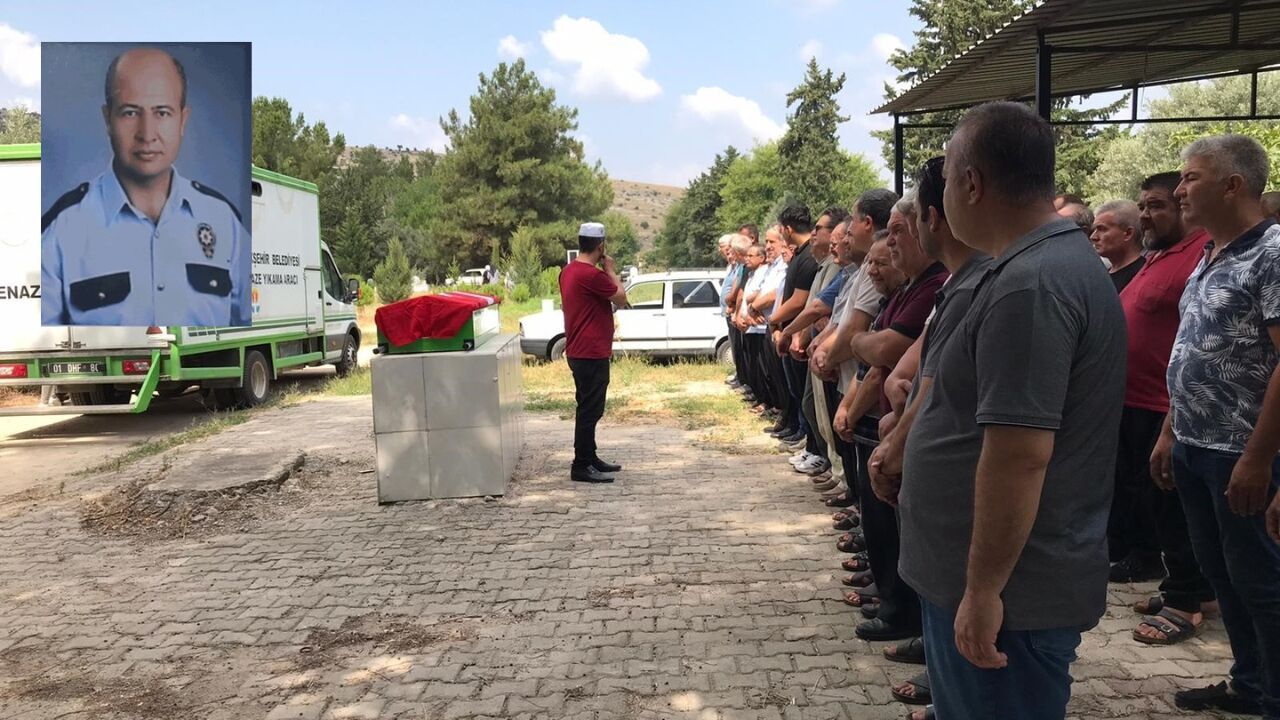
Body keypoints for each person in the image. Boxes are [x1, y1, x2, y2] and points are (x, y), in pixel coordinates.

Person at [898, 101, 1126, 720]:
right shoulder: (1033, 266)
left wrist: (982, 590)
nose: (944, 194)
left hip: (1013, 598)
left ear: (971, 182)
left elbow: (1020, 456)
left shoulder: (1033, 284)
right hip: (997, 585)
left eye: (948, 177)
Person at [1151, 134, 1280, 719]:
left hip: (1242, 454)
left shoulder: (1271, 253)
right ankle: (1249, 684)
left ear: (1232, 185)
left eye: (1190, 177)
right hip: (1194, 446)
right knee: (1224, 577)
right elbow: (1193, 347)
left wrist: (1258, 458)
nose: (1180, 189)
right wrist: (1170, 430)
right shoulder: (1212, 253)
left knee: (1262, 582)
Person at [42, 47, 251, 327]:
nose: (147, 134)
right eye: (130, 113)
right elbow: (44, 346)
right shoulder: (59, 232)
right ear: (107, 119)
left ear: (182, 120)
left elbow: (248, 331)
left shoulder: (224, 221)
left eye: (162, 113)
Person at [835, 194, 948, 643]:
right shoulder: (912, 288)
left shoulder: (935, 284)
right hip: (890, 422)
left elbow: (885, 350)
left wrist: (862, 342)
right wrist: (867, 345)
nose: (894, 245)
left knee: (899, 528)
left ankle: (903, 612)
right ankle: (893, 601)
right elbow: (878, 353)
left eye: (900, 232)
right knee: (884, 524)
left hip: (907, 429)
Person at [1112, 173, 1217, 648]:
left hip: (1165, 404)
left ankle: (1185, 600)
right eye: (1142, 207)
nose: (1146, 216)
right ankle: (1189, 585)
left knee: (1171, 504)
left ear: (1180, 207)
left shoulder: (1200, 252)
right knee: (1153, 501)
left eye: (1156, 206)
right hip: (1134, 401)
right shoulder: (1159, 255)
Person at [558, 222, 629, 484]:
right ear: (601, 246)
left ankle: (590, 457)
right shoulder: (592, 275)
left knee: (588, 407)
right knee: (590, 410)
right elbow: (621, 297)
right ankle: (581, 465)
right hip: (591, 351)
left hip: (579, 349)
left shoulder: (567, 272)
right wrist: (610, 269)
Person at [1090, 200, 1145, 292]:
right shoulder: (1102, 275)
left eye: (1102, 229)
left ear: (1128, 233)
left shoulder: (1141, 276)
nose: (1093, 237)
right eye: (1095, 230)